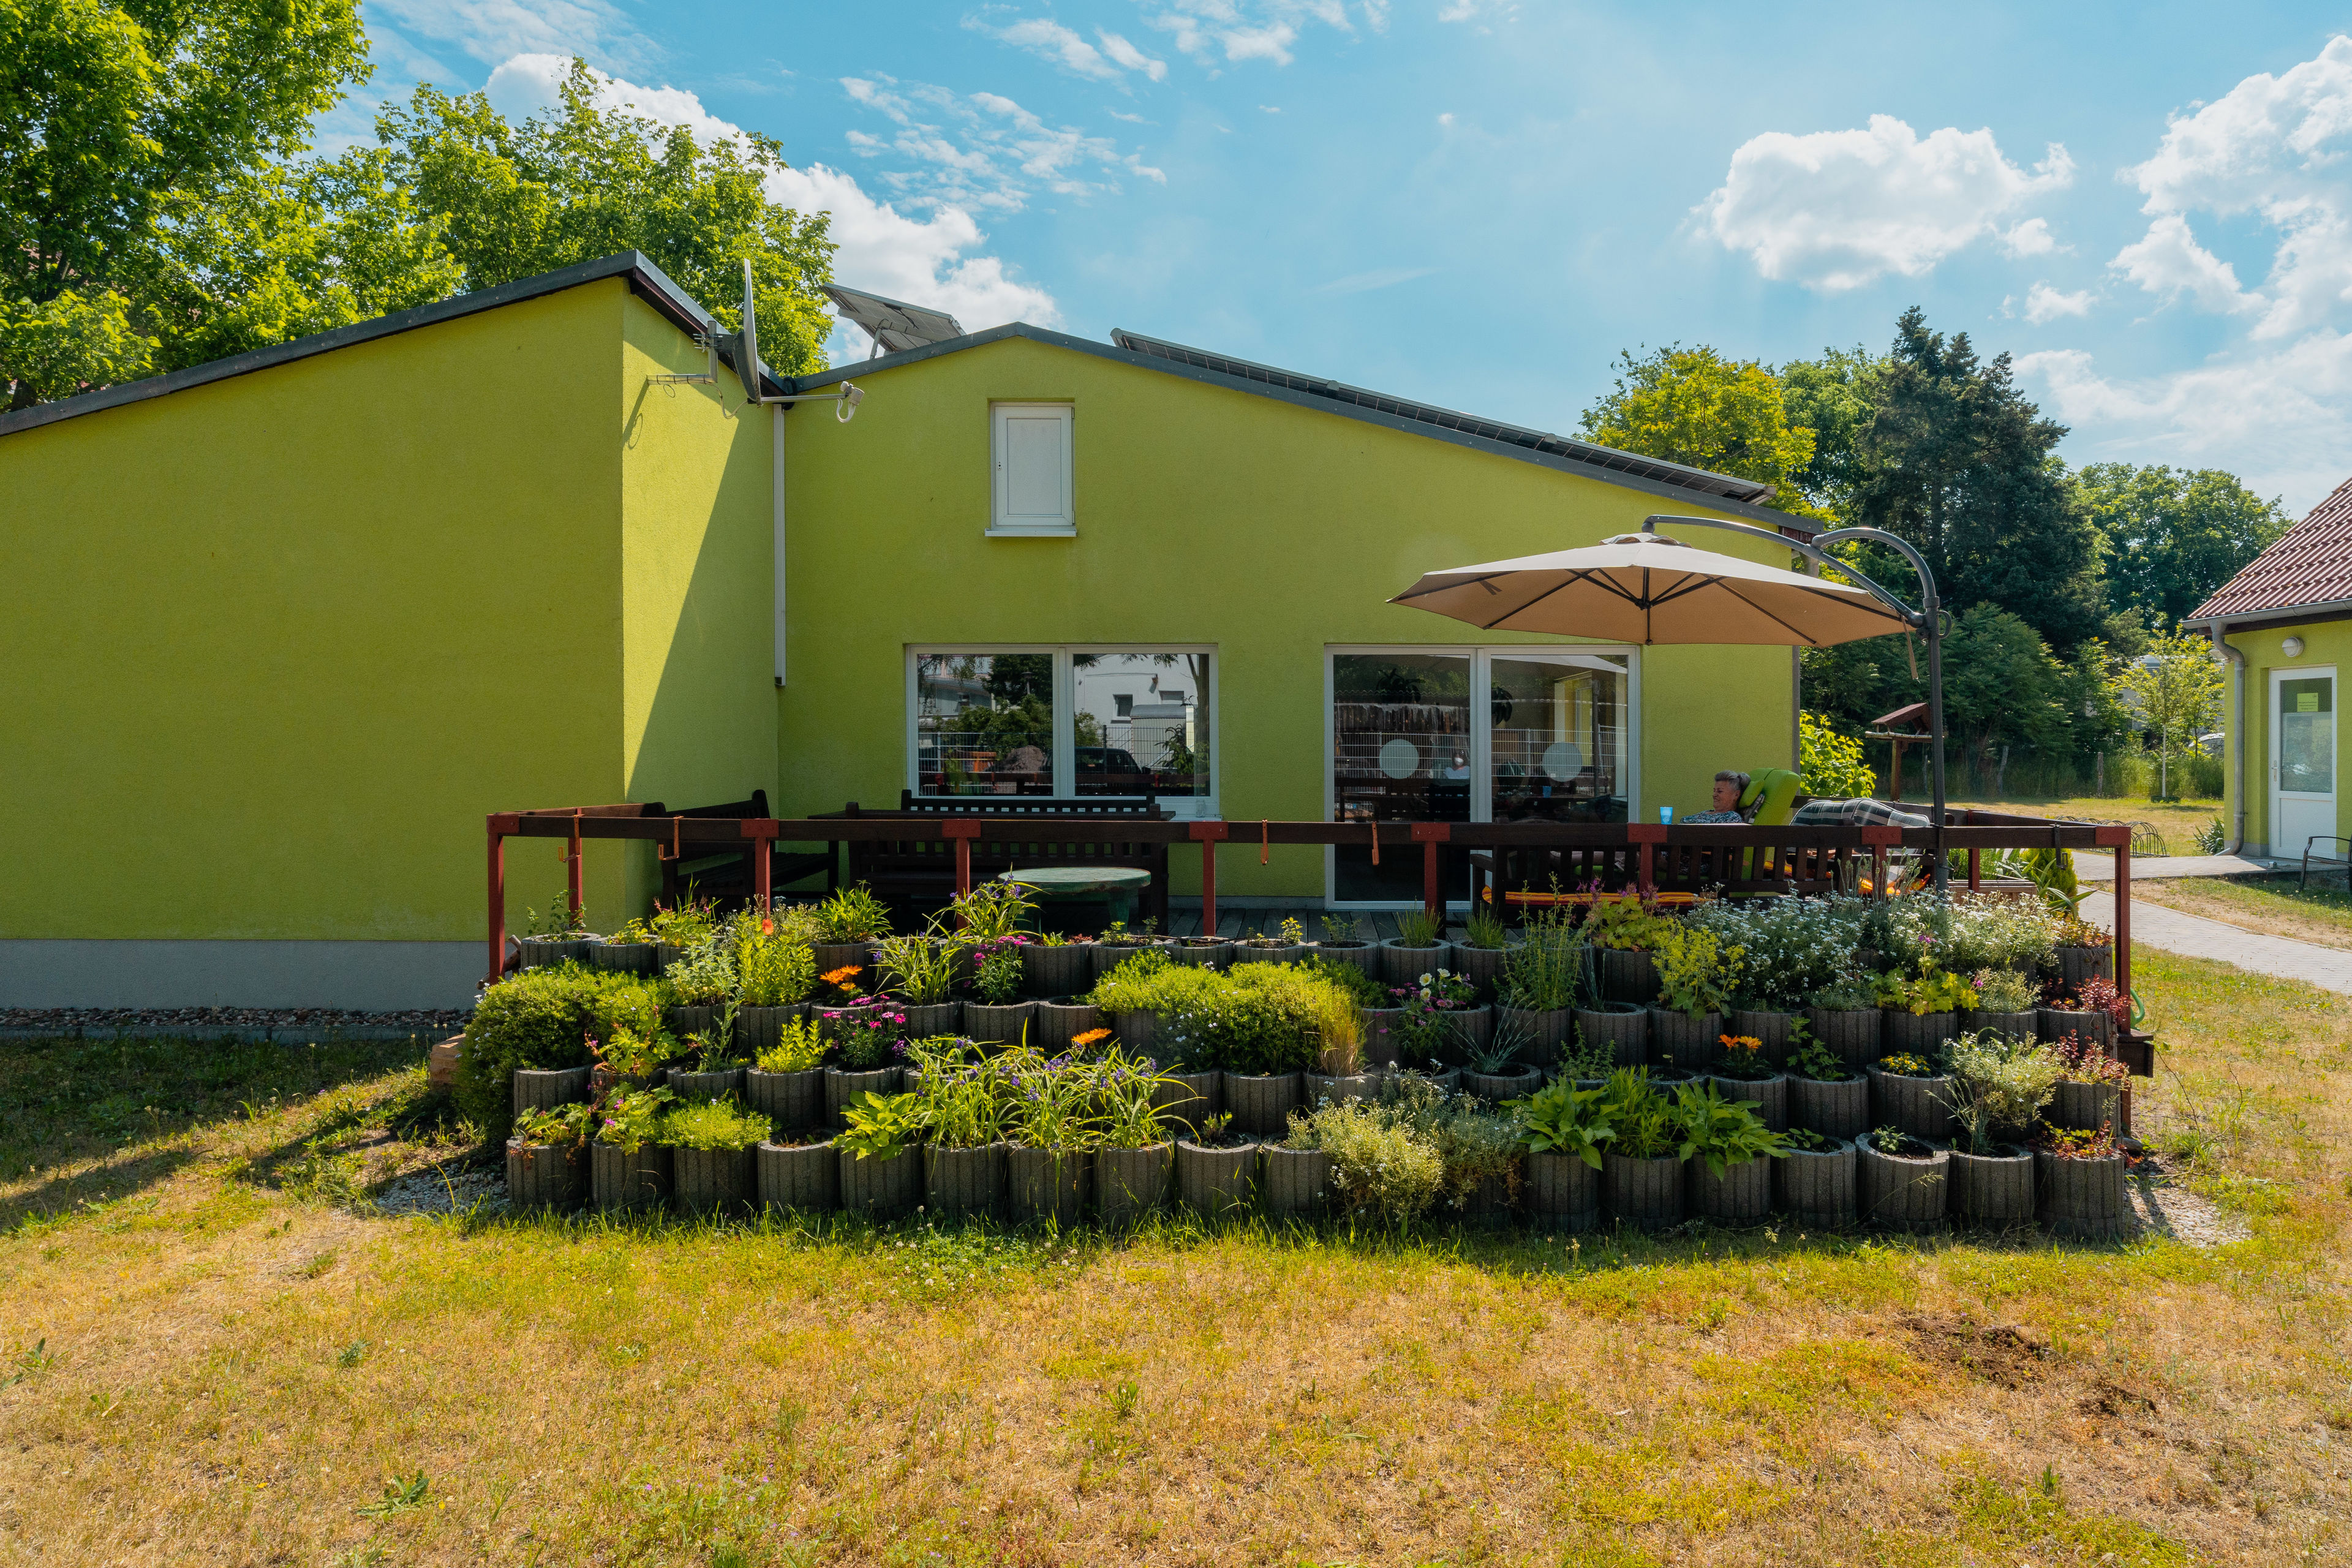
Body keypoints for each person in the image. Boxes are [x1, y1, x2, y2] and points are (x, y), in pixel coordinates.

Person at [1683, 769, 1752, 824]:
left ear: (1736, 795)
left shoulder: (1732, 817)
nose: (1714, 795)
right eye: (1714, 791)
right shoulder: (1707, 812)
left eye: (1720, 791)